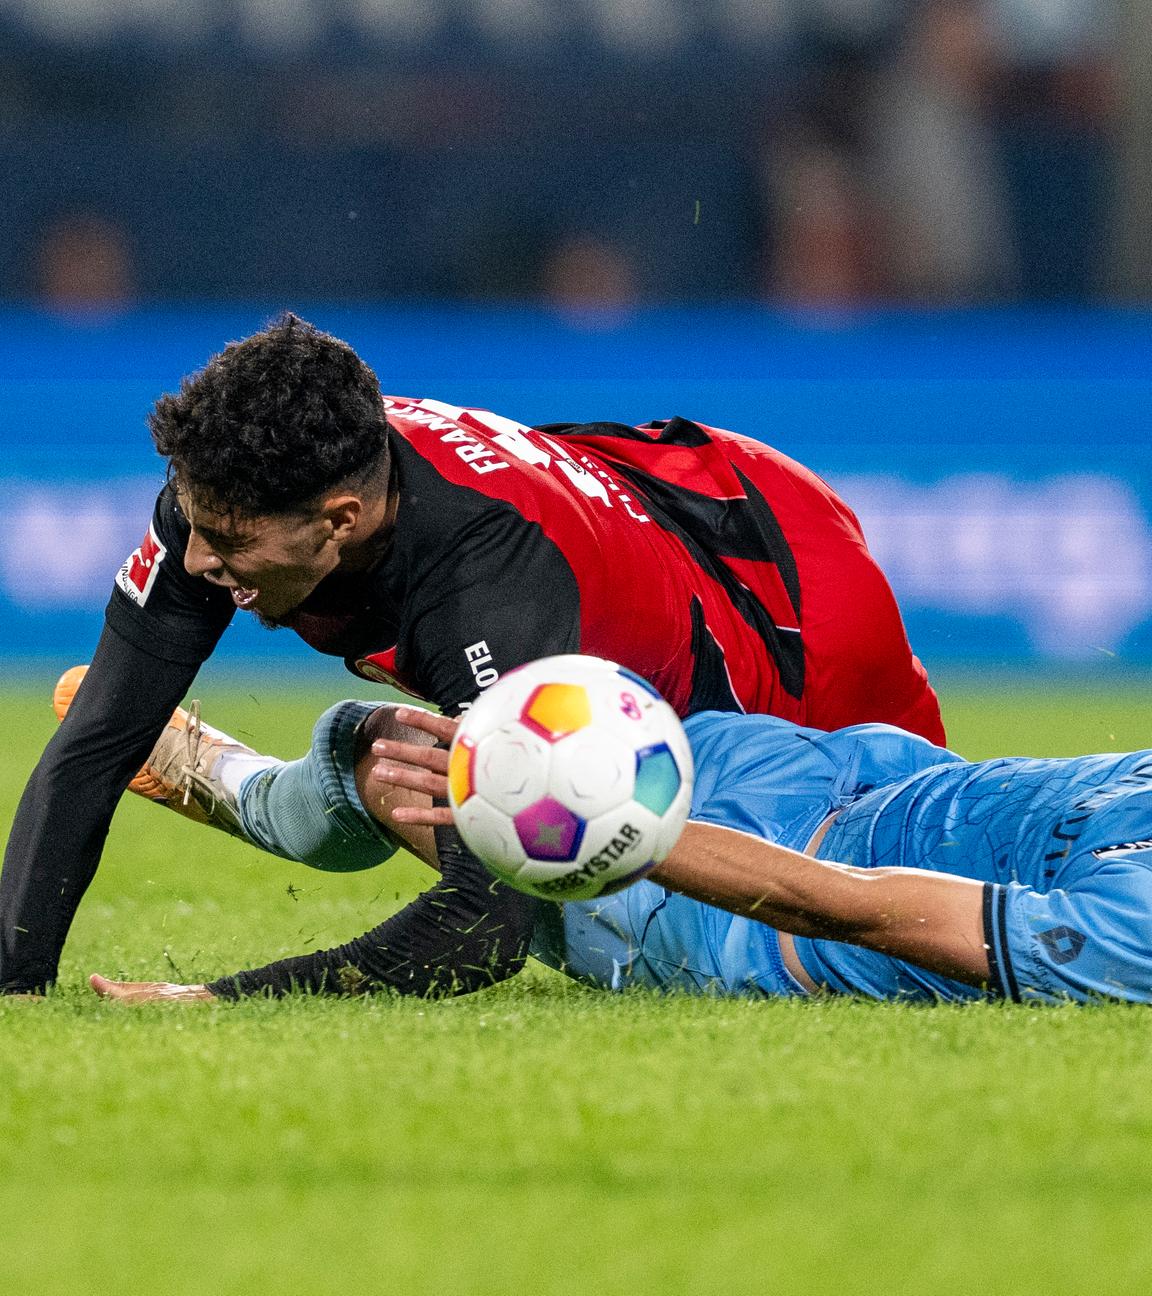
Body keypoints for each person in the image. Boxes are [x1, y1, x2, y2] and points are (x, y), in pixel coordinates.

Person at [1, 313, 941, 996]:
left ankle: (239, 783)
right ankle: (237, 781)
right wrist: (15, 993)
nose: (196, 562)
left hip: (791, 615)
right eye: (192, 525)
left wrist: (220, 1001)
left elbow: (485, 928)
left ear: (340, 522)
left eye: (229, 546)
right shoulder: (231, 498)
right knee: (401, 769)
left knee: (890, 884)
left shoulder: (484, 597)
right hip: (636, 506)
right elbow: (93, 746)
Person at [89, 685, 1152, 1006]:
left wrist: (613, 830)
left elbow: (851, 909)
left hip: (735, 916)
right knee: (486, 725)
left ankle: (241, 787)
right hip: (840, 766)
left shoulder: (1137, 937)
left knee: (407, 771)